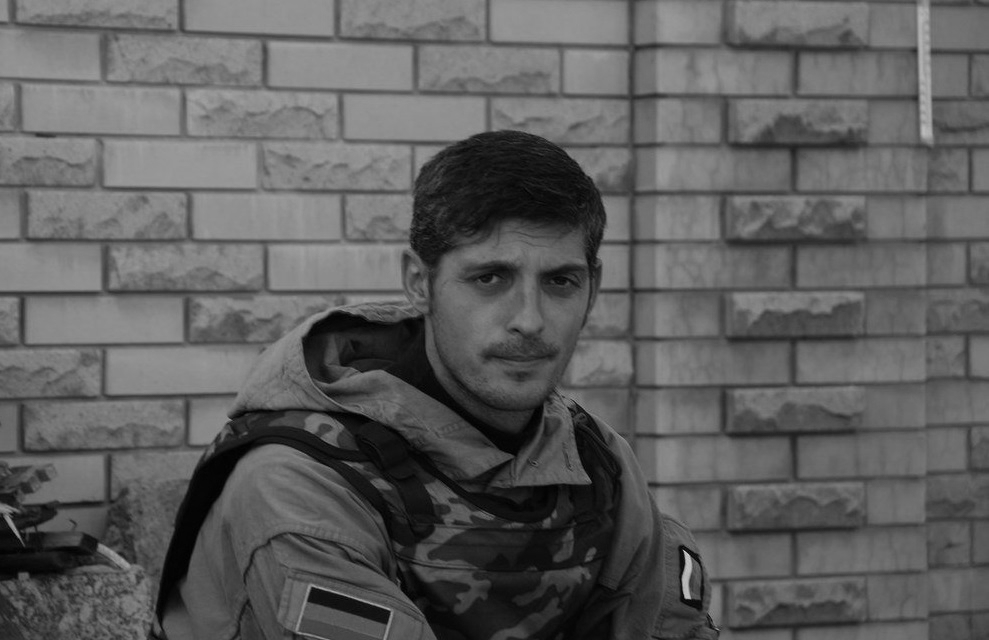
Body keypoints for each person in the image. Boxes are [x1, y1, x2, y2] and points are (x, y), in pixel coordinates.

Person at [153, 130, 720, 640]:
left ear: (593, 288)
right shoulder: (301, 482)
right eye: (490, 278)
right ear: (419, 283)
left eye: (560, 282)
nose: (529, 320)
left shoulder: (599, 465)